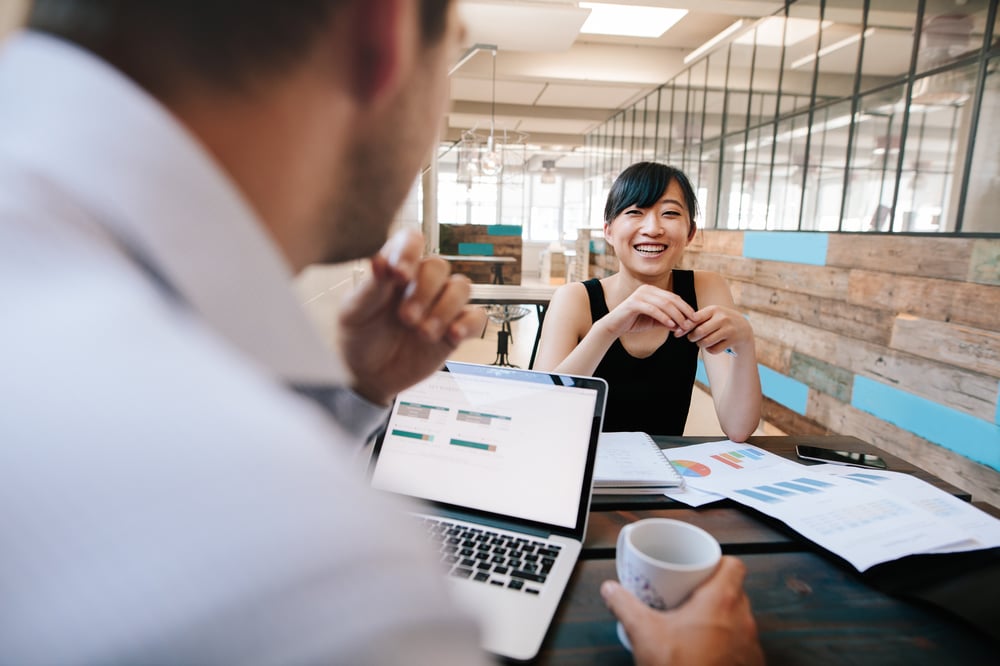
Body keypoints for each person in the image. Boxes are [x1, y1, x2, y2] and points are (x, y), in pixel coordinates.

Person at [0, 2, 762, 663]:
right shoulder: (327, 571)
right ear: (386, 29)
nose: (653, 227)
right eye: (452, 46)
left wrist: (359, 393)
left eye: (670, 213)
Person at [535, 162, 762, 442]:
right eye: (634, 212)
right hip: (578, 471)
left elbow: (738, 427)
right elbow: (541, 412)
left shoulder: (705, 289)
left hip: (664, 473)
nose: (653, 228)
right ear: (608, 231)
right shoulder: (575, 299)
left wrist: (745, 344)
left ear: (690, 232)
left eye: (670, 213)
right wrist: (608, 328)